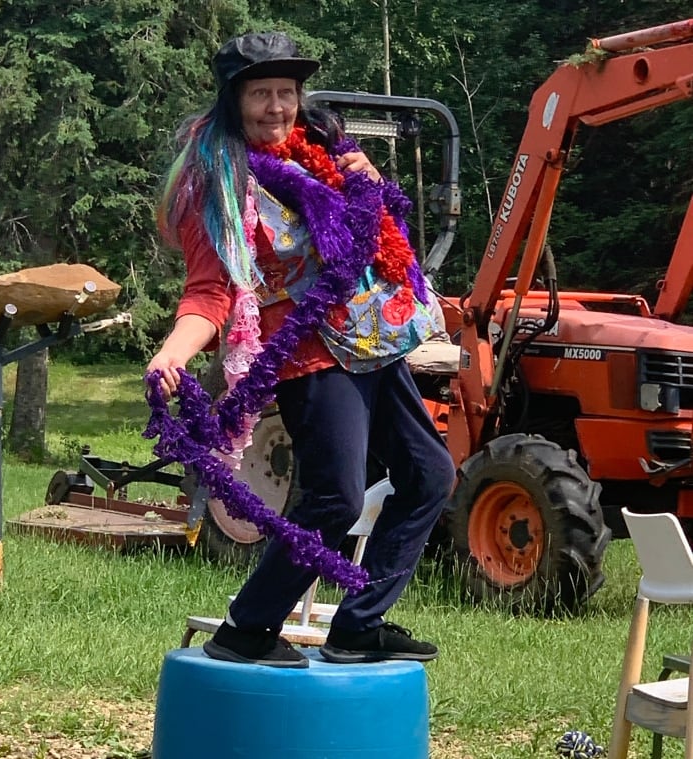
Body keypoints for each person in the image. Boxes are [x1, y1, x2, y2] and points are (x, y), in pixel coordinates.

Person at [147, 31, 456, 669]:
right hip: (308, 354)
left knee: (430, 475)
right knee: (337, 497)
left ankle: (358, 627)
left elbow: (372, 234)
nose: (276, 107)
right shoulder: (219, 184)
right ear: (234, 100)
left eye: (285, 93)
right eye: (261, 94)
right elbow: (210, 292)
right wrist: (173, 353)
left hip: (374, 338)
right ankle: (246, 627)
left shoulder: (321, 151)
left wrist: (366, 183)